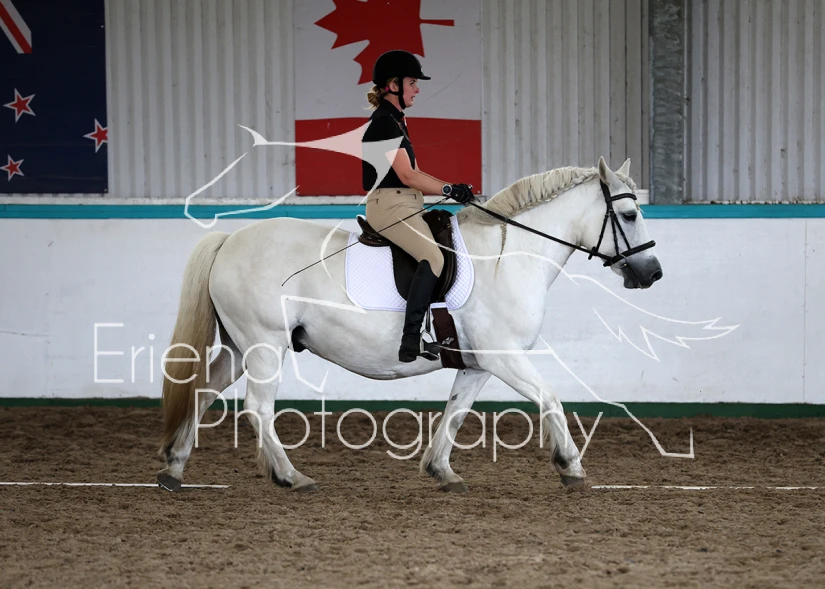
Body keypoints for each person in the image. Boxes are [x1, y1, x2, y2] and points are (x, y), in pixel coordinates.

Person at [362, 49, 475, 363]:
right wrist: (449, 189)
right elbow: (408, 176)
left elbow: (418, 173)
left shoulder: (396, 122)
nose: (417, 89)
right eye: (412, 82)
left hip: (407, 204)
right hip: (389, 207)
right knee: (433, 257)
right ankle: (411, 340)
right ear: (393, 85)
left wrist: (452, 188)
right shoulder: (383, 123)